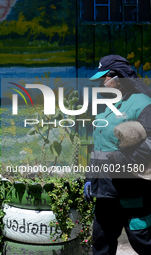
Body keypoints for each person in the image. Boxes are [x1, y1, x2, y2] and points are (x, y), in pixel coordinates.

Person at [84, 55, 151, 255]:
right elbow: (100, 144)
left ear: (118, 78)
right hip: (104, 190)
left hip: (131, 188)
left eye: (104, 78)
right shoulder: (107, 106)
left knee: (143, 240)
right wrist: (90, 178)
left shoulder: (143, 103)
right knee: (101, 241)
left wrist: (125, 160)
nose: (101, 83)